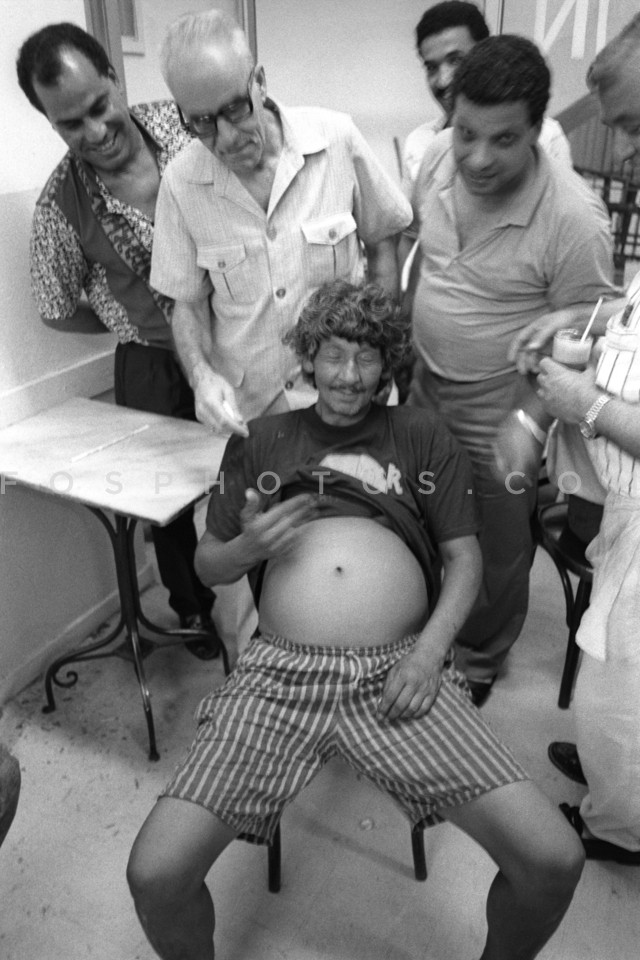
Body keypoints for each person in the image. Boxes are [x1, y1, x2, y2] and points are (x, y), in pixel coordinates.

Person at [127, 279, 585, 960]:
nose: (349, 374)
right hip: (277, 677)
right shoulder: (264, 439)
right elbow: (208, 565)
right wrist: (249, 547)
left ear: (387, 363)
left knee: (553, 860)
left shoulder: (420, 434)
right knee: (155, 874)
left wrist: (429, 655)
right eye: (333, 354)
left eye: (367, 356)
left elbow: (465, 560)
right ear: (307, 358)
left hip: (400, 671)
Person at [401, 34, 618, 704]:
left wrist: (532, 419)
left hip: (505, 403)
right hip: (424, 383)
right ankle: (426, 622)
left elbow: (594, 332)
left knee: (495, 541)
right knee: (420, 511)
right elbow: (424, 256)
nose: (476, 157)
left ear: (536, 131)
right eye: (466, 132)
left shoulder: (574, 218)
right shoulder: (437, 158)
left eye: (503, 140)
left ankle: (478, 658)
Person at [16, 23, 219, 659]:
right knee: (168, 503)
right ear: (51, 124)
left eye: (99, 106)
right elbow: (55, 309)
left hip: (243, 340)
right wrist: (123, 317)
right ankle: (193, 610)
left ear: (114, 77)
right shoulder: (58, 206)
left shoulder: (187, 128)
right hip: (152, 366)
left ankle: (283, 600)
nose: (95, 131)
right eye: (71, 123)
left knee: (260, 471)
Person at [150, 8, 412, 436]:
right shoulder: (181, 183)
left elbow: (383, 243)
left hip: (350, 400)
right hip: (253, 413)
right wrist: (202, 378)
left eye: (235, 109)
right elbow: (189, 305)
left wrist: (375, 356)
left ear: (260, 82)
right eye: (202, 122)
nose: (226, 137)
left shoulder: (336, 140)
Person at [512, 12, 640, 864]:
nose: (623, 152)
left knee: (619, 694)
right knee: (610, 681)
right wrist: (592, 334)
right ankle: (613, 781)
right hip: (624, 513)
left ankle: (620, 827)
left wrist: (586, 404)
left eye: (636, 128)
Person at [401, 1, 572, 191]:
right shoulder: (420, 142)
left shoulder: (545, 137)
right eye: (432, 68)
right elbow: (410, 210)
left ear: (485, 54)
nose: (443, 80)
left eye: (456, 60)